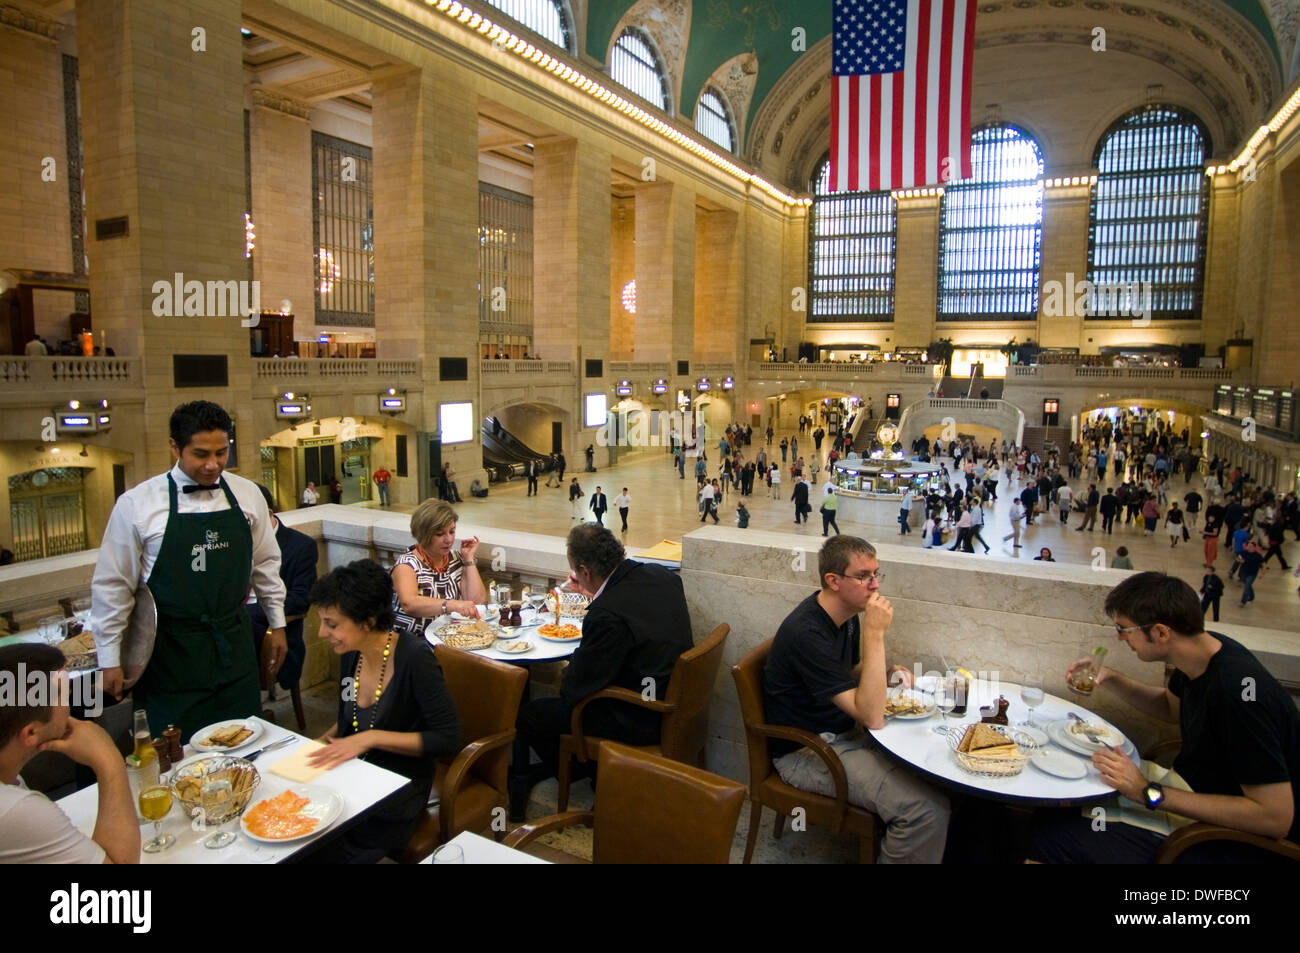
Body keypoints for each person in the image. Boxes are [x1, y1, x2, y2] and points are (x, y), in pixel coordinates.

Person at [1027, 572, 1300, 863]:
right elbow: (1170, 708)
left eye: (1124, 628)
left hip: (1233, 841)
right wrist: (1110, 678)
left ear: (1160, 632)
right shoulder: (1205, 654)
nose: (1119, 637)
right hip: (1192, 796)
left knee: (1053, 837)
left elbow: (1274, 818)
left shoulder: (1239, 695)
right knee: (1057, 806)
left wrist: (1148, 793)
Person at [89, 401, 287, 742]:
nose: (213, 465)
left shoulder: (247, 494)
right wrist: (109, 657)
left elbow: (266, 564)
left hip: (233, 647)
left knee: (246, 745)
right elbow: (113, 587)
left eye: (222, 452)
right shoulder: (137, 505)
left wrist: (277, 623)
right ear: (174, 446)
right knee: (173, 756)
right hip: (170, 656)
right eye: (200, 454)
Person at [763, 536, 950, 863]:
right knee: (925, 810)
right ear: (833, 581)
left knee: (943, 774)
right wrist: (876, 634)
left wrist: (886, 674)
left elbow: (851, 671)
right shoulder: (808, 633)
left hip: (844, 736)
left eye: (877, 574)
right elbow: (872, 717)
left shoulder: (844, 616)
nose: (875, 585)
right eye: (864, 576)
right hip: (808, 751)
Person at [510, 525, 693, 820]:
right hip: (673, 700)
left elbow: (575, 689)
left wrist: (596, 604)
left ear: (583, 569)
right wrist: (593, 592)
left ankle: (587, 769)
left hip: (638, 717)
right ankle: (593, 769)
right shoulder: (661, 577)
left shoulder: (607, 614)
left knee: (531, 715)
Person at [305, 561, 461, 863]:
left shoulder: (415, 659)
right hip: (356, 773)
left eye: (332, 624)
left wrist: (372, 738)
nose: (323, 633)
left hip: (398, 790)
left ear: (367, 620)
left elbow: (448, 738)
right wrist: (316, 747)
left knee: (319, 842)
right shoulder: (351, 654)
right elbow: (348, 723)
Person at [0, 644, 140, 863]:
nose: (71, 705)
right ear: (31, 732)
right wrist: (108, 759)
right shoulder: (16, 811)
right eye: (65, 697)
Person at [247, 485, 319, 693]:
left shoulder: (300, 546)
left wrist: (245, 613)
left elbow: (301, 600)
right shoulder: (233, 544)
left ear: (268, 514)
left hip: (272, 630)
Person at [390, 500, 487, 638]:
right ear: (424, 534)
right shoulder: (407, 564)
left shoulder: (455, 558)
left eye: (452, 531)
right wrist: (451, 605)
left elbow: (477, 602)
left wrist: (468, 559)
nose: (449, 540)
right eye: (440, 534)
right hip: (413, 643)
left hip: (449, 640)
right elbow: (409, 603)